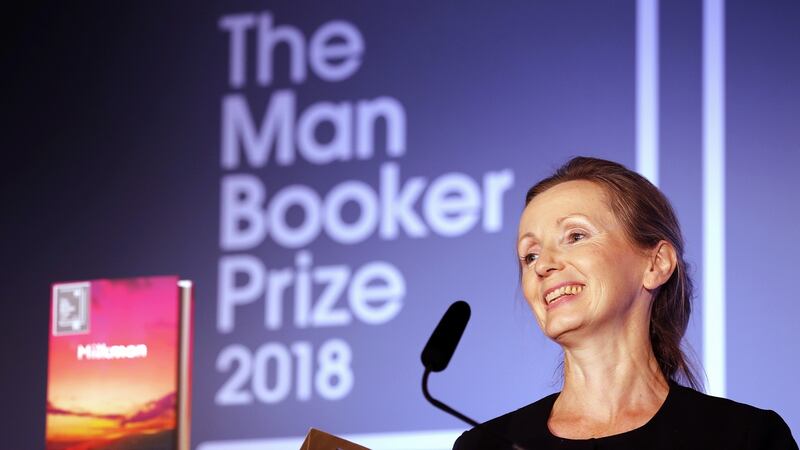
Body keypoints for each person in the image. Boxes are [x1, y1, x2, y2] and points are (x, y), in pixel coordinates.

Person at [453, 157, 798, 449]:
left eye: (575, 236)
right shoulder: (486, 445)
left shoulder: (747, 438)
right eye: (529, 256)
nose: (543, 266)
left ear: (656, 264)